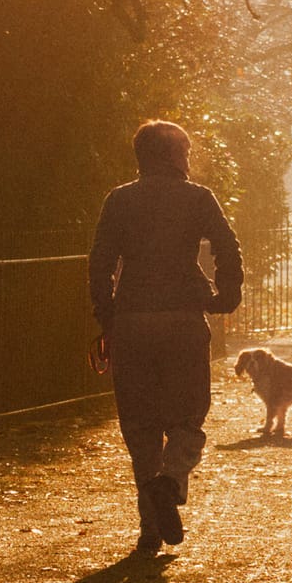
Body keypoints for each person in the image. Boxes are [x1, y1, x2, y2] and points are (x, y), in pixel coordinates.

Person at [88, 120, 242, 554]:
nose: (190, 161)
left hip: (133, 320)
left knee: (140, 428)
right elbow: (227, 247)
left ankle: (149, 530)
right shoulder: (197, 199)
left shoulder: (119, 200)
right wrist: (224, 296)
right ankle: (171, 482)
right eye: (187, 152)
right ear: (174, 155)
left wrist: (107, 319)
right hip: (182, 320)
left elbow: (100, 263)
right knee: (187, 419)